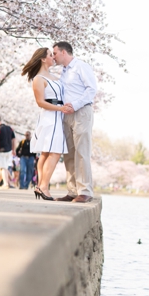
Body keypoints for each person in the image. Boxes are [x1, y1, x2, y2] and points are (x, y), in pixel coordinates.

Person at [52, 41, 96, 203]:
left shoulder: (81, 66)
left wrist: (75, 105)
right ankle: (72, 191)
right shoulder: (63, 72)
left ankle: (85, 190)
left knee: (81, 151)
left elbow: (91, 89)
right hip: (66, 114)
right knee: (69, 152)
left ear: (63, 52)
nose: (53, 56)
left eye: (55, 53)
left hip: (81, 112)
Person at [21, 47, 68, 200]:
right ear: (43, 58)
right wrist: (60, 108)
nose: (53, 57)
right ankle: (43, 186)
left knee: (47, 152)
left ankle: (41, 186)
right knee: (54, 151)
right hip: (50, 117)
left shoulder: (54, 76)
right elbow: (40, 102)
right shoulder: (38, 79)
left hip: (57, 116)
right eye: (50, 55)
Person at [0, 119, 16, 189]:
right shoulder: (9, 128)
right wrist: (14, 149)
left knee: (3, 168)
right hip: (9, 151)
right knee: (1, 168)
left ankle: (6, 184)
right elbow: (14, 139)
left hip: (0, 151)